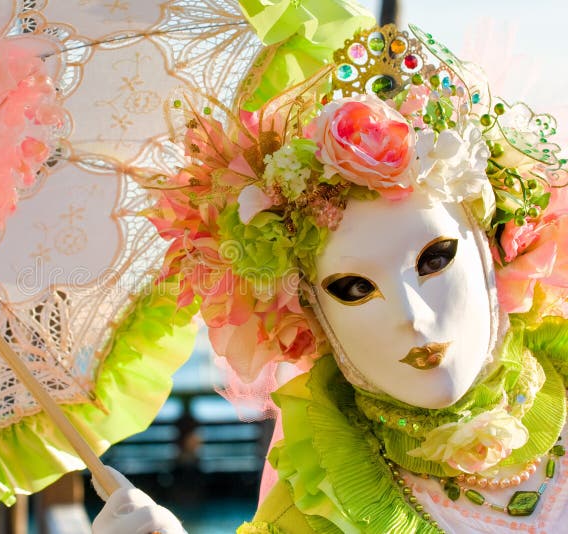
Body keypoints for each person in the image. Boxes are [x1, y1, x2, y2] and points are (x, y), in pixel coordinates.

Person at [92, 20, 568, 534]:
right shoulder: (322, 503)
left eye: (435, 259)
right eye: (354, 288)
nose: (412, 314)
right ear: (310, 313)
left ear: (493, 249)